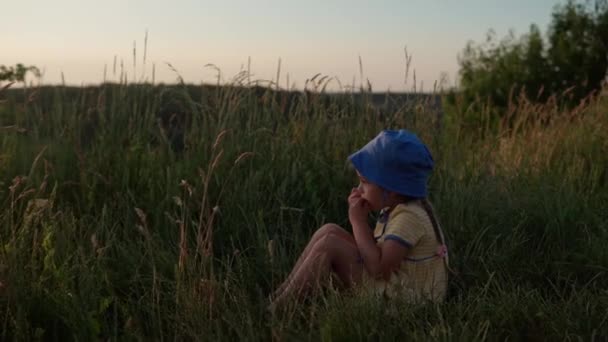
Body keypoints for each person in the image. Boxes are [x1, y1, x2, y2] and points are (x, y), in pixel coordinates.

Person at [269, 129, 449, 309]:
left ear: (391, 189)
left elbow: (379, 270)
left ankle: (279, 309)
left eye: (364, 182)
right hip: (396, 286)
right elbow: (376, 250)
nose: (359, 189)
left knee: (329, 244)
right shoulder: (396, 207)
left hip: (404, 301)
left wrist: (358, 221)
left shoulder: (408, 218)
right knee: (329, 230)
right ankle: (280, 295)